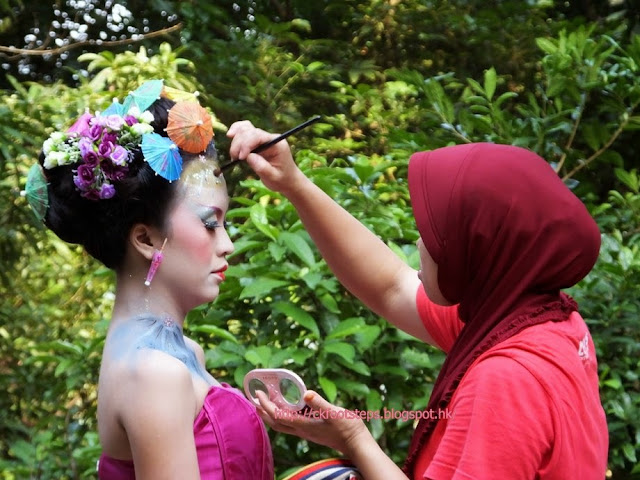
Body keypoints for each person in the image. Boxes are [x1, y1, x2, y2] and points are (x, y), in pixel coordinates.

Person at [226, 122, 609, 480]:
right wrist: (293, 183)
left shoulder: (507, 379)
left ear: (477, 252)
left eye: (436, 236)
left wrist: (355, 439)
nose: (420, 244)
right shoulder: (544, 322)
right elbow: (391, 285)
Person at [27, 81, 273, 479]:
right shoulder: (154, 372)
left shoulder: (180, 354)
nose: (228, 245)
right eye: (210, 223)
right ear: (145, 239)